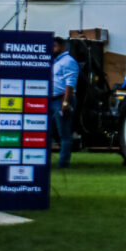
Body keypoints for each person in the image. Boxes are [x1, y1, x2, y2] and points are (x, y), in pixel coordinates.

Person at [50, 36, 79, 169]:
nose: (52, 49)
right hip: (53, 100)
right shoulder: (56, 62)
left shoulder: (68, 61)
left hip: (63, 99)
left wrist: (66, 103)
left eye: (55, 46)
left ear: (62, 46)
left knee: (64, 133)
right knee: (51, 132)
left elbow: (70, 84)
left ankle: (63, 163)